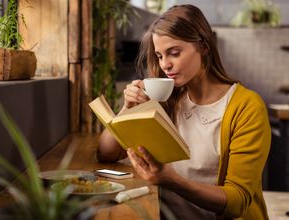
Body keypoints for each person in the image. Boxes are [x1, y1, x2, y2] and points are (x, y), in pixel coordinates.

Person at [97, 4, 271, 220]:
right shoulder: (166, 100)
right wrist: (127, 108)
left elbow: (237, 201)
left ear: (204, 47)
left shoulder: (247, 107)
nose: (165, 65)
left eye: (174, 53)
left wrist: (172, 181)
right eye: (160, 56)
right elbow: (106, 153)